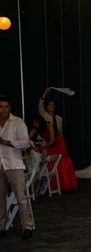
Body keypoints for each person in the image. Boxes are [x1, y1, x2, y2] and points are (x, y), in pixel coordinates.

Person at [0, 96, 35, 239]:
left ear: (10, 108)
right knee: (0, 199)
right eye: (0, 107)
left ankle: (27, 226)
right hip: (0, 164)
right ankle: (1, 226)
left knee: (21, 198)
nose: (3, 109)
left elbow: (26, 143)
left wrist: (6, 142)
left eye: (6, 106)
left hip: (14, 164)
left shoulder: (18, 122)